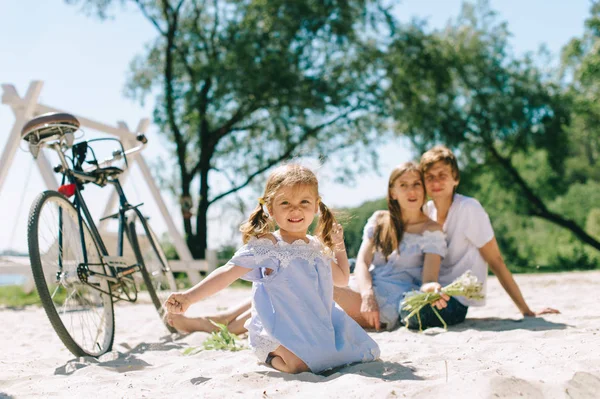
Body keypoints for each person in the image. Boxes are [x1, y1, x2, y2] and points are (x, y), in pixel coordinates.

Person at [164, 164, 380, 374]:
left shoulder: (316, 248)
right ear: (271, 209)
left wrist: (338, 245)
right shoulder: (268, 247)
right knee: (299, 366)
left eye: (304, 201)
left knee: (341, 357)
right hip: (277, 328)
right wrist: (189, 297)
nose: (295, 209)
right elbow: (227, 272)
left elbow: (342, 279)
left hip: (315, 326)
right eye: (285, 202)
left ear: (316, 206)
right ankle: (268, 355)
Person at [401, 145, 560, 328]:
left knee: (411, 315)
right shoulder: (426, 211)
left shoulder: (469, 209)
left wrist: (526, 310)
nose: (436, 182)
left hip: (456, 300)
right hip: (429, 291)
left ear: (456, 179)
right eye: (430, 177)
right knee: (402, 304)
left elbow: (496, 260)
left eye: (442, 175)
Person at [333, 162, 464, 331]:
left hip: (390, 301)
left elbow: (429, 278)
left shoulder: (431, 230)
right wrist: (367, 294)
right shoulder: (379, 219)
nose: (412, 191)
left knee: (325, 289)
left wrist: (432, 289)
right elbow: (362, 262)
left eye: (417, 184)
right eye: (403, 185)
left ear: (424, 189)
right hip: (366, 288)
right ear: (393, 192)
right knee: (317, 280)